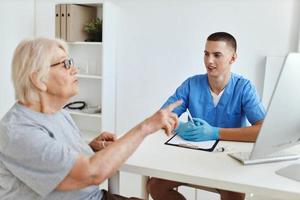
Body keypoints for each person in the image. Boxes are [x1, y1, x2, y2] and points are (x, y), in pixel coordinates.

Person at [0, 37, 182, 200]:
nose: (75, 69)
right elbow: (90, 174)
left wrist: (88, 148)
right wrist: (146, 126)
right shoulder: (17, 131)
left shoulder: (58, 112)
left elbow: (55, 162)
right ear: (38, 79)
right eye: (65, 64)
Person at [147, 32, 266, 200]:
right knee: (155, 186)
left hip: (227, 160)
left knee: (234, 195)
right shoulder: (191, 84)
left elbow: (263, 131)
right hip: (192, 157)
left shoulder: (244, 88)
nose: (209, 61)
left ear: (232, 58)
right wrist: (180, 126)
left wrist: (215, 132)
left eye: (217, 55)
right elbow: (162, 117)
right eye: (206, 54)